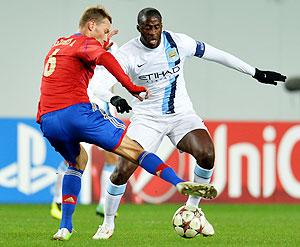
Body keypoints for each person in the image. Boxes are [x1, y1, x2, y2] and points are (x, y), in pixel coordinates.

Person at [99, 7, 287, 239]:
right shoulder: (128, 54)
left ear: (162, 25)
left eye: (157, 26)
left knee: (207, 153)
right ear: (139, 28)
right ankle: (107, 224)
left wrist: (254, 72)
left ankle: (192, 208)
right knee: (122, 170)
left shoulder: (178, 42)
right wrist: (113, 97)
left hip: (181, 115)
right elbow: (101, 82)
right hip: (147, 119)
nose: (153, 32)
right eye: (148, 27)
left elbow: (217, 54)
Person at [36, 6, 217, 241]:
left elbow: (82, 62)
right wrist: (129, 87)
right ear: (92, 26)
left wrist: (103, 44)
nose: (107, 35)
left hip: (47, 118)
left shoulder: (60, 43)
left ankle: (65, 227)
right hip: (77, 112)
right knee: (133, 149)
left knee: (77, 161)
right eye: (105, 30)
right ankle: (179, 183)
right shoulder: (87, 43)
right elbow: (104, 58)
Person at [49, 42, 122, 220]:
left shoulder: (114, 48)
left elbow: (112, 78)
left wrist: (113, 106)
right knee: (73, 156)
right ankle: (58, 201)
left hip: (104, 103)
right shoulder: (82, 45)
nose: (105, 32)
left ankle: (104, 203)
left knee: (112, 155)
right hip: (83, 101)